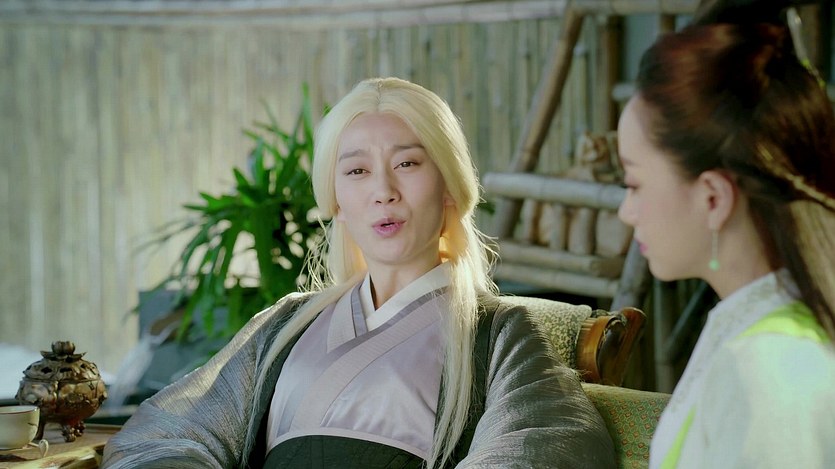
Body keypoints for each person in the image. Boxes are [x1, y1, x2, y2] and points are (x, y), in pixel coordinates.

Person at [102, 77, 616, 468]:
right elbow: (163, 435)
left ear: (449, 187)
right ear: (337, 203)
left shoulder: (499, 334)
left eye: (407, 164)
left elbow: (547, 447)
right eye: (357, 171)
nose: (383, 191)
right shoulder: (285, 325)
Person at [615, 1, 835, 468]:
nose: (625, 211)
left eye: (633, 184)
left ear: (713, 198)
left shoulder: (770, 370)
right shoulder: (754, 335)